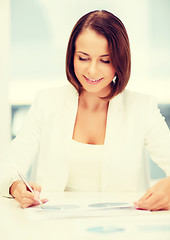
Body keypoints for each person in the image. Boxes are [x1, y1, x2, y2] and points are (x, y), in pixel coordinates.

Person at [0, 10, 170, 210]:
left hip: (121, 227)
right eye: (83, 58)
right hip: (53, 225)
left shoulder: (142, 107)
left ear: (120, 60)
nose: (92, 70)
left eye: (105, 60)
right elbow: (8, 167)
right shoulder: (47, 102)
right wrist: (15, 186)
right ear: (72, 57)